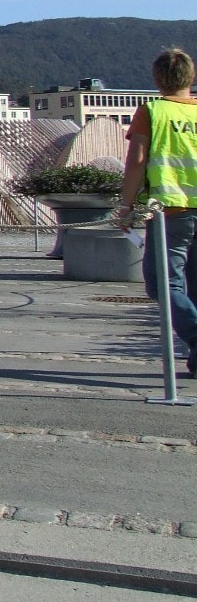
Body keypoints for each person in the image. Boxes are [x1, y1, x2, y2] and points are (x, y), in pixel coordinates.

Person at [115, 47, 197, 378]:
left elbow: (136, 162)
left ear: (156, 78)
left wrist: (126, 205)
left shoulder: (152, 112)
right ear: (190, 77)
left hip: (172, 210)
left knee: (163, 284)